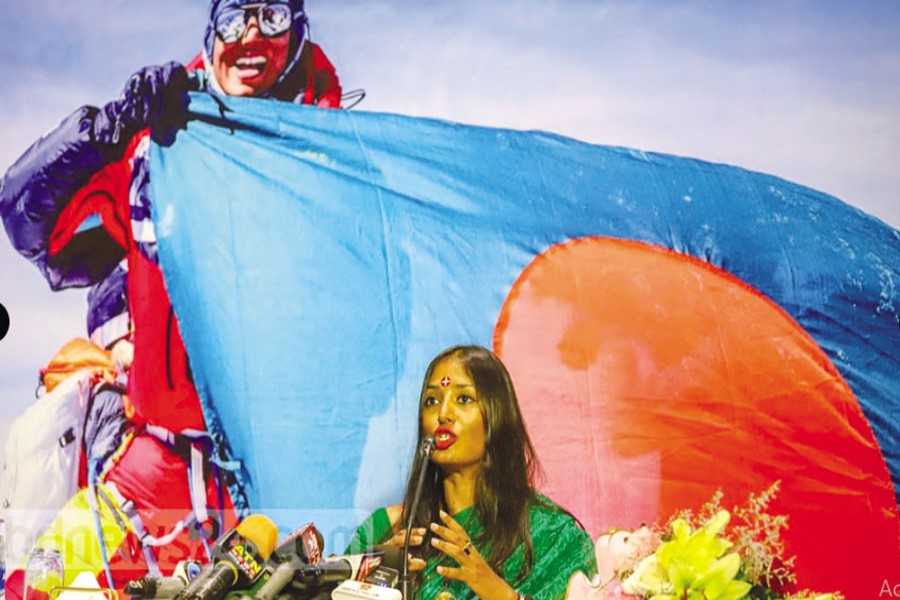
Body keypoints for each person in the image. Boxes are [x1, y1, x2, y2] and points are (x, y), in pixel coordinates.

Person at [0, 0, 342, 585]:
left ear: (299, 30)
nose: (252, 34)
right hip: (151, 464)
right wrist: (104, 130)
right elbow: (24, 217)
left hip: (279, 478)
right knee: (39, 579)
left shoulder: (335, 163)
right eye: (235, 15)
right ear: (212, 33)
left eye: (273, 15)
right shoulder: (155, 145)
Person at [346, 346, 597, 600]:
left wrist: (498, 592)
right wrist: (361, 582)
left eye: (463, 399)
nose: (443, 414)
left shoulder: (551, 536)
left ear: (497, 417)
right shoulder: (387, 530)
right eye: (432, 401)